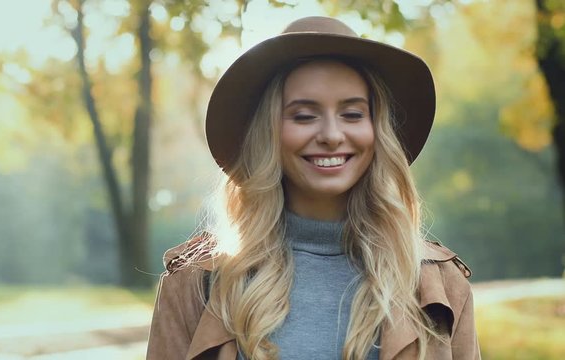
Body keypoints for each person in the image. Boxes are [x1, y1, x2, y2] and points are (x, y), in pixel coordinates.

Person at [147, 16, 480, 360]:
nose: (332, 135)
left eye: (352, 114)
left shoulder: (439, 285)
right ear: (269, 133)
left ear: (377, 130)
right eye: (304, 116)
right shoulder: (195, 283)